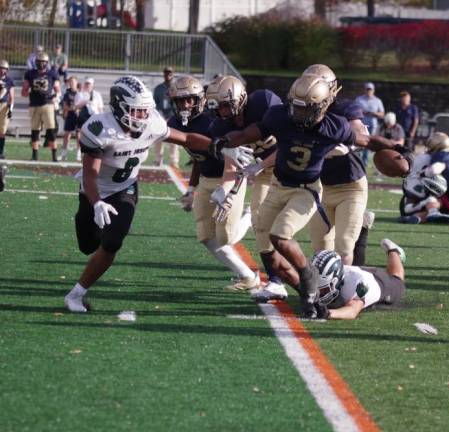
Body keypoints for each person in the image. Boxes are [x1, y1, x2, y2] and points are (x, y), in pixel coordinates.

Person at [212, 73, 398, 318]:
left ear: (322, 106)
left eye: (306, 109)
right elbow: (250, 133)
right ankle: (309, 296)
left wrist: (398, 148)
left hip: (306, 190)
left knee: (281, 236)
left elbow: (368, 140)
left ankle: (309, 277)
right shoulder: (280, 116)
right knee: (269, 252)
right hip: (278, 184)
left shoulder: (333, 125)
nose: (299, 114)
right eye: (296, 107)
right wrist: (226, 140)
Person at [63, 76, 228, 313]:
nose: (141, 116)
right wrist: (97, 202)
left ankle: (76, 295)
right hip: (95, 191)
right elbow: (90, 175)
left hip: (125, 188)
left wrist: (217, 146)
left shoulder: (152, 123)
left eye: (144, 110)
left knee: (112, 242)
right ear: (119, 107)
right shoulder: (99, 128)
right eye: (135, 111)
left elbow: (186, 138)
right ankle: (96, 240)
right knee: (88, 245)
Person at [169, 75, 259, 291]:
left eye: (189, 99)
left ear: (200, 99)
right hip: (206, 180)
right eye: (180, 101)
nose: (185, 105)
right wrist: (191, 188)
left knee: (225, 236)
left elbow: (230, 157)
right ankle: (247, 276)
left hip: (229, 178)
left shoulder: (212, 122)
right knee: (206, 236)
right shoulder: (174, 123)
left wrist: (226, 188)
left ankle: (250, 217)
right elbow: (198, 157)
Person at [202, 76, 286, 298]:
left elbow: (289, 142)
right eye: (217, 106)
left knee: (281, 225)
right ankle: (276, 281)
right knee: (261, 222)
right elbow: (232, 162)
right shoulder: (221, 124)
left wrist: (261, 164)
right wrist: (225, 189)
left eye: (224, 105)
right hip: (263, 173)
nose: (221, 111)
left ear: (239, 98)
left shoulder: (264, 103)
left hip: (289, 166)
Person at [304, 64, 375, 269]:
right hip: (319, 188)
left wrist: (346, 142)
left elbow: (362, 135)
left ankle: (346, 294)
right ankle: (327, 292)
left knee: (344, 249)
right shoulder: (298, 109)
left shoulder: (343, 108)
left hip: (349, 186)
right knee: (321, 250)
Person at [311, 239, 406, 320]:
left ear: (335, 280)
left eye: (322, 289)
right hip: (357, 271)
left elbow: (352, 311)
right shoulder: (329, 275)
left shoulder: (357, 284)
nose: (318, 292)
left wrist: (328, 313)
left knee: (397, 281)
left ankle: (394, 251)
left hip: (377, 282)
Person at [22, 52, 60, 161]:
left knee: (51, 130)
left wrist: (56, 97)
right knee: (35, 131)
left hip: (48, 104)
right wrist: (26, 90)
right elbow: (24, 91)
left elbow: (58, 90)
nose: (41, 64)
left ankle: (54, 156)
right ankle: (35, 156)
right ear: (36, 62)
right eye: (39, 62)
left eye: (43, 62)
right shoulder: (30, 74)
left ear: (47, 63)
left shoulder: (52, 74)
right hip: (34, 104)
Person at [152, 66, 179, 168]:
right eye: (166, 73)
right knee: (159, 139)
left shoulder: (176, 87)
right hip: (160, 116)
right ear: (164, 74)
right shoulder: (158, 88)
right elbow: (154, 103)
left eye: (170, 73)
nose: (168, 75)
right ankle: (158, 160)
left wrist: (174, 115)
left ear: (173, 74)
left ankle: (174, 161)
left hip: (172, 116)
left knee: (174, 140)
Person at [355, 82, 384, 165]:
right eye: (367, 89)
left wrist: (375, 113)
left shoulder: (378, 101)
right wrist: (362, 112)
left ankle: (365, 160)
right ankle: (358, 158)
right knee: (359, 142)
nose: (369, 91)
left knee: (369, 143)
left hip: (373, 125)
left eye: (370, 89)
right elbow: (353, 110)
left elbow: (382, 114)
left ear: (373, 90)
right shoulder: (359, 99)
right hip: (361, 125)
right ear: (365, 90)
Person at [60, 76, 80, 161]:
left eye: (73, 82)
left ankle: (78, 154)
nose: (72, 83)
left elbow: (82, 105)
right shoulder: (67, 93)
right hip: (70, 115)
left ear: (76, 83)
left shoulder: (80, 93)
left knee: (79, 136)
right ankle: (64, 154)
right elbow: (64, 106)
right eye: (70, 82)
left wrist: (78, 109)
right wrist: (72, 109)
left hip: (78, 116)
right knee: (67, 135)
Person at [0, 59, 15, 159]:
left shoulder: (9, 80)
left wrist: (11, 109)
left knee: (2, 130)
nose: (2, 71)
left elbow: (12, 96)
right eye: (1, 69)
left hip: (4, 105)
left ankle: (0, 151)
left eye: (4, 69)